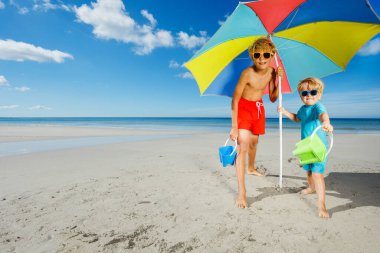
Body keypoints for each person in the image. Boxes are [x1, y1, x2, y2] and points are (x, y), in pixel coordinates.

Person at [230, 37, 283, 209]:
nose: (261, 58)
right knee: (243, 146)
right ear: (253, 56)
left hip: (259, 108)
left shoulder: (272, 72)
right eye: (257, 55)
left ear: (271, 55)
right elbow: (235, 100)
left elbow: (273, 98)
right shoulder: (247, 73)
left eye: (266, 54)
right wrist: (234, 127)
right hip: (244, 107)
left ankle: (251, 168)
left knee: (254, 143)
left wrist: (278, 81)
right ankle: (242, 193)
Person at [278, 77, 333, 218]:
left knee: (317, 174)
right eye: (304, 93)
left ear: (319, 95)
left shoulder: (318, 107)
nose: (309, 95)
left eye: (313, 92)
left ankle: (322, 206)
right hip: (306, 145)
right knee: (308, 171)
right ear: (301, 96)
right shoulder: (303, 108)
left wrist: (326, 123)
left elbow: (323, 115)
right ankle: (311, 187)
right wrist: (284, 112)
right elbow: (297, 118)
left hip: (318, 146)